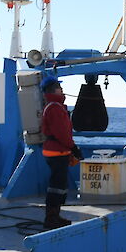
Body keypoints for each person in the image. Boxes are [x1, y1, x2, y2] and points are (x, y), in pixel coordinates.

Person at [40, 76, 82, 229]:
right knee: (56, 186)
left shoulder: (53, 106)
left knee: (58, 185)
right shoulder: (55, 108)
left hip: (56, 151)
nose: (62, 89)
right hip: (56, 152)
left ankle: (55, 216)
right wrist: (74, 148)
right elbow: (62, 133)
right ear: (54, 89)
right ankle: (51, 219)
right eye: (59, 87)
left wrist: (70, 148)